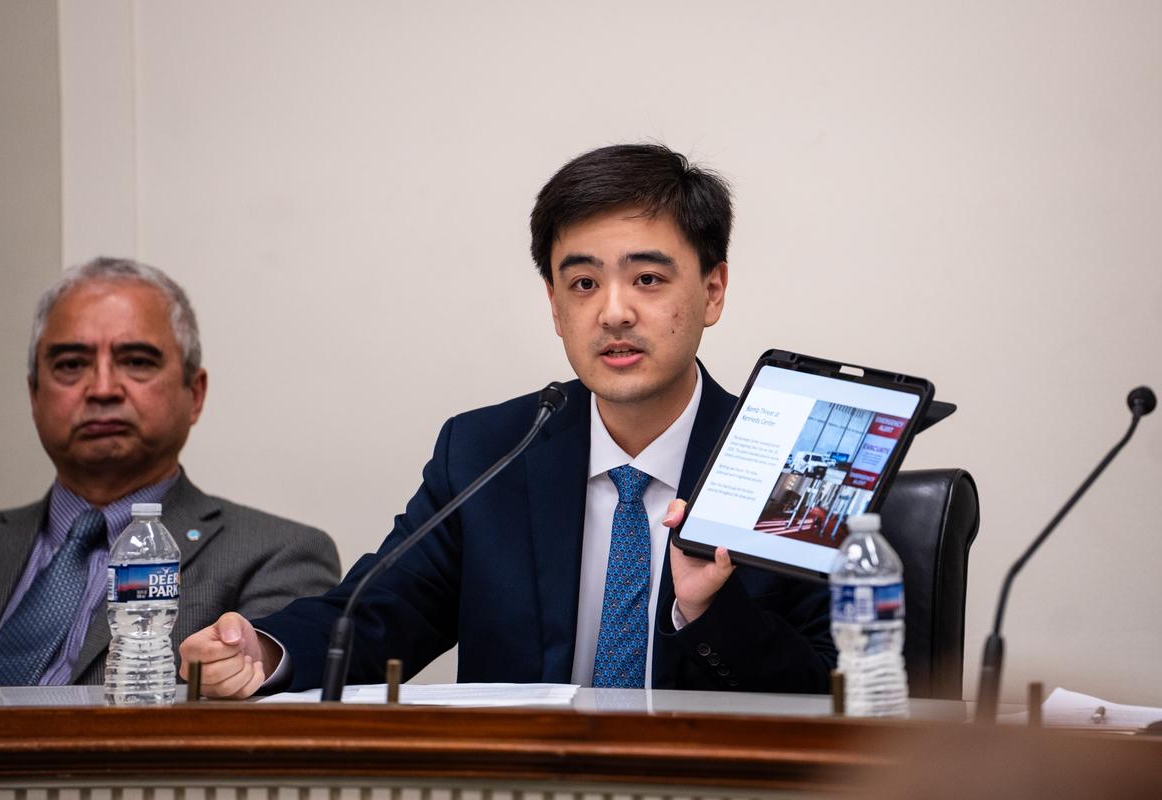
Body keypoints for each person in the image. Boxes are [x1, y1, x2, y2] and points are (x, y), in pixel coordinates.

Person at [180, 143, 834, 698]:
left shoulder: (791, 466)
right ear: (554, 304)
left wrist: (707, 615)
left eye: (647, 280)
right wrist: (264, 652)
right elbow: (377, 616)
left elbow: (841, 699)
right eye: (582, 284)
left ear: (712, 291)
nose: (613, 313)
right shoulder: (490, 452)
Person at [0, 258, 341, 687]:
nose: (102, 389)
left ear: (194, 394)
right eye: (70, 364)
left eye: (137, 361)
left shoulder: (276, 555)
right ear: (34, 394)